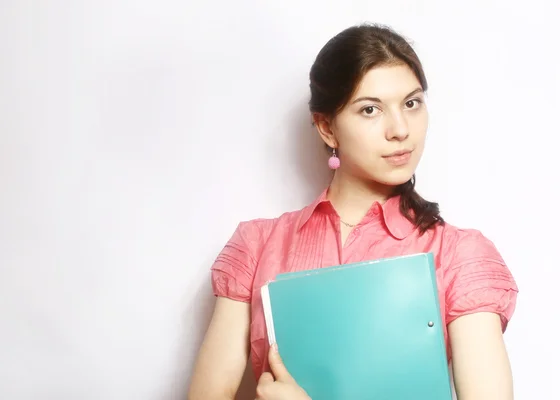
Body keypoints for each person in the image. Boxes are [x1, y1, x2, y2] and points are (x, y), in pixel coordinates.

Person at [188, 23, 518, 400]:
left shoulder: (460, 256)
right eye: (370, 110)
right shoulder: (257, 246)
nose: (400, 129)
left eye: (411, 103)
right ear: (327, 128)